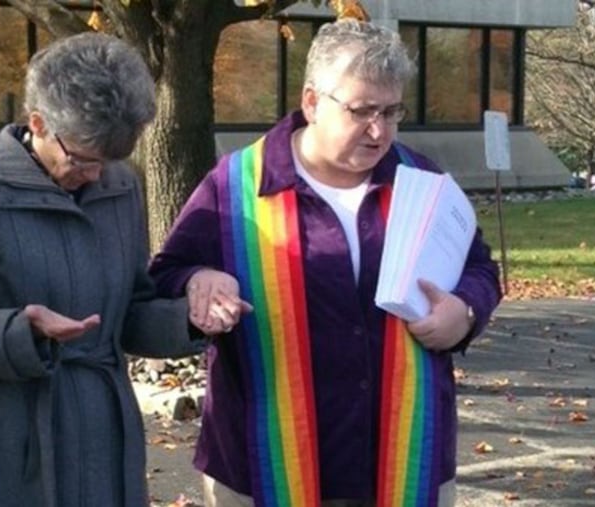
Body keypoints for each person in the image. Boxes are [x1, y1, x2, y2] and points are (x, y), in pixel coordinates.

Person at [149, 19, 502, 507]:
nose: (379, 130)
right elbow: (167, 273)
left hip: (403, 464)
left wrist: (463, 312)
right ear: (312, 102)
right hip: (261, 466)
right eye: (361, 111)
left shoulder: (421, 179)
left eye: (392, 111)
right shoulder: (235, 186)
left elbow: (481, 268)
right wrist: (200, 280)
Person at [0, 32, 241, 507]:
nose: (96, 175)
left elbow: (131, 311)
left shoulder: (120, 187)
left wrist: (190, 319)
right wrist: (21, 331)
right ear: (38, 124)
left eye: (110, 160)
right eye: (83, 160)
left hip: (109, 430)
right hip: (16, 435)